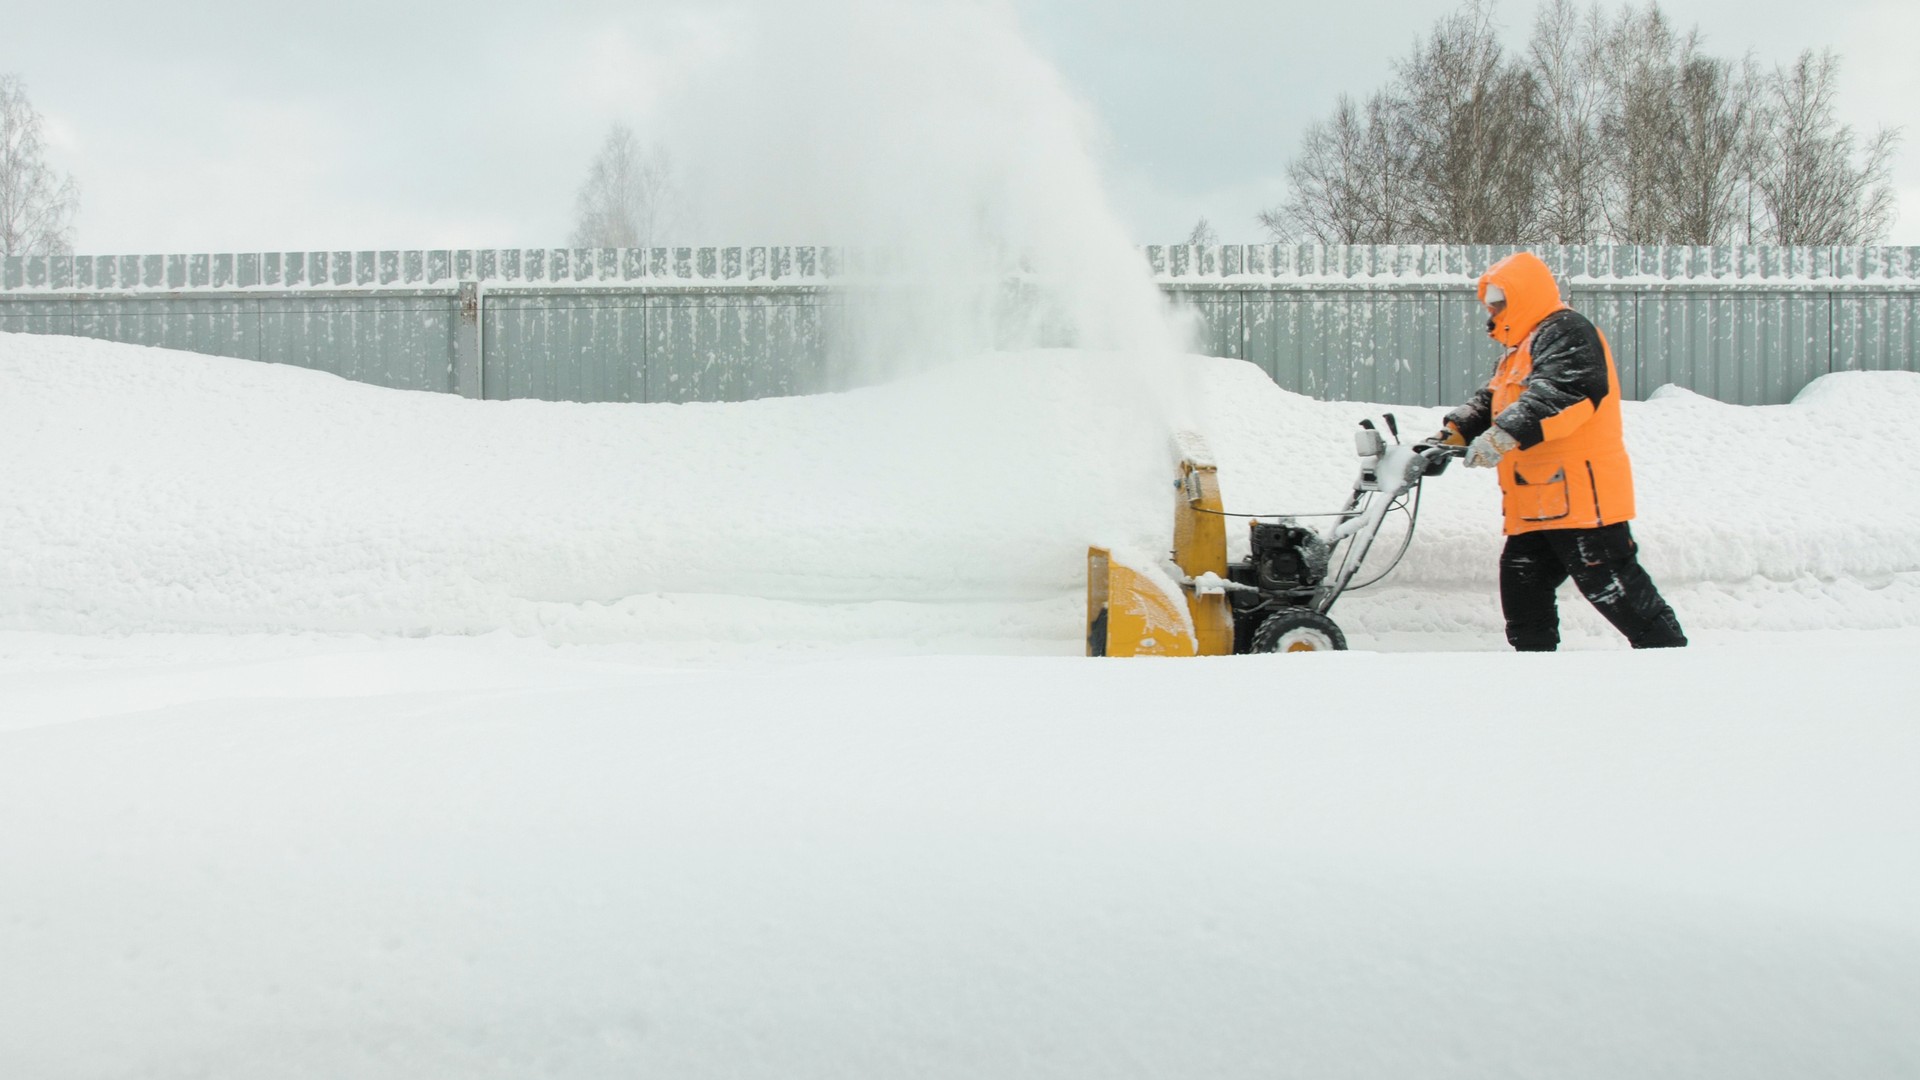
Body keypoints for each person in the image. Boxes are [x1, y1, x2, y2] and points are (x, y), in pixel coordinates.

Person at [1430, 251, 1687, 651]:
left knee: (1613, 588)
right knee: (1521, 586)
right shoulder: (1521, 348)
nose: (1493, 310)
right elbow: (1492, 400)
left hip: (1582, 498)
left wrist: (1505, 436)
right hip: (1538, 499)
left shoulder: (1566, 330)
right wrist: (1454, 434)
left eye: (1500, 301)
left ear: (1525, 295)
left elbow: (1568, 393)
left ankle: (1671, 659)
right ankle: (1536, 672)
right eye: (1490, 303)